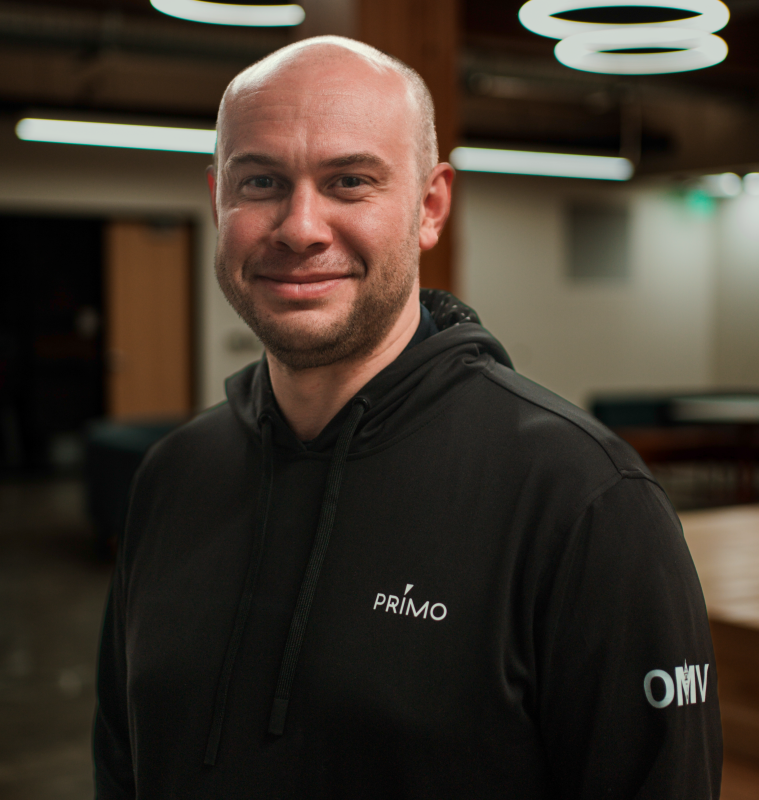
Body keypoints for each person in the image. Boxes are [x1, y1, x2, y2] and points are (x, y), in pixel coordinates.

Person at [94, 36, 721, 799]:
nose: (300, 226)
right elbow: (121, 766)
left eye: (349, 181)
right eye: (260, 181)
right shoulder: (172, 476)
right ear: (217, 200)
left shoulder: (584, 499)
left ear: (430, 207)